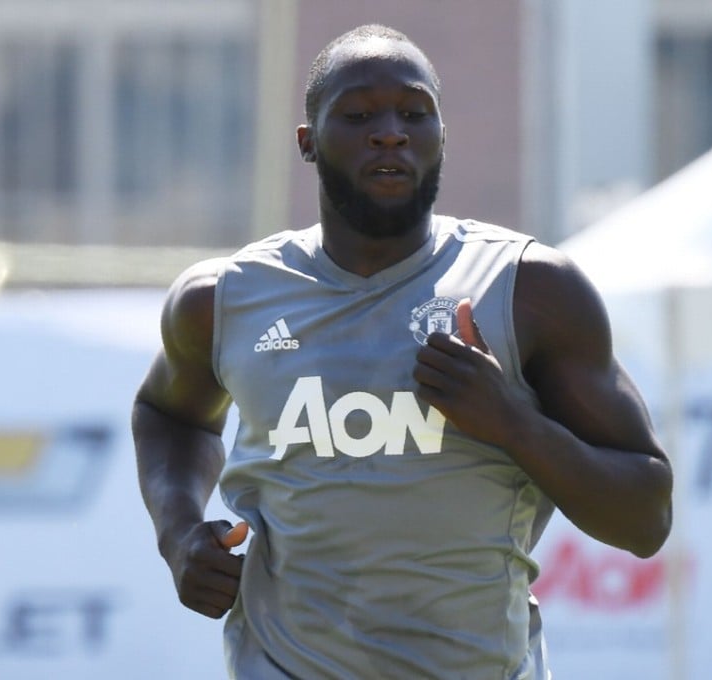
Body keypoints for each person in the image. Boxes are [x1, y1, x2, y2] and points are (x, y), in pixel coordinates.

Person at [133, 23, 672, 679]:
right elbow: (169, 415)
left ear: (443, 136)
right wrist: (180, 535)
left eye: (415, 114)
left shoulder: (530, 289)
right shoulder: (224, 298)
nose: (390, 132)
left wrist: (512, 423)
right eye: (358, 115)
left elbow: (646, 519)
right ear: (307, 142)